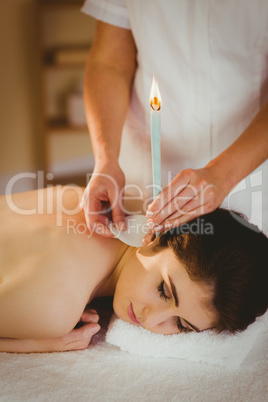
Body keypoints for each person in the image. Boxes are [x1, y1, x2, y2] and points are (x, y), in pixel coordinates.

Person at [80, 0, 268, 240]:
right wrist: (106, 159)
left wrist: (223, 174)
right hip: (143, 166)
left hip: (248, 171)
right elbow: (108, 63)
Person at [0, 186, 267, 353]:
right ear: (154, 236)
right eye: (164, 290)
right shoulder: (55, 307)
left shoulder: (89, 199)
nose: (150, 320)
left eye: (182, 325)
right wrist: (39, 343)